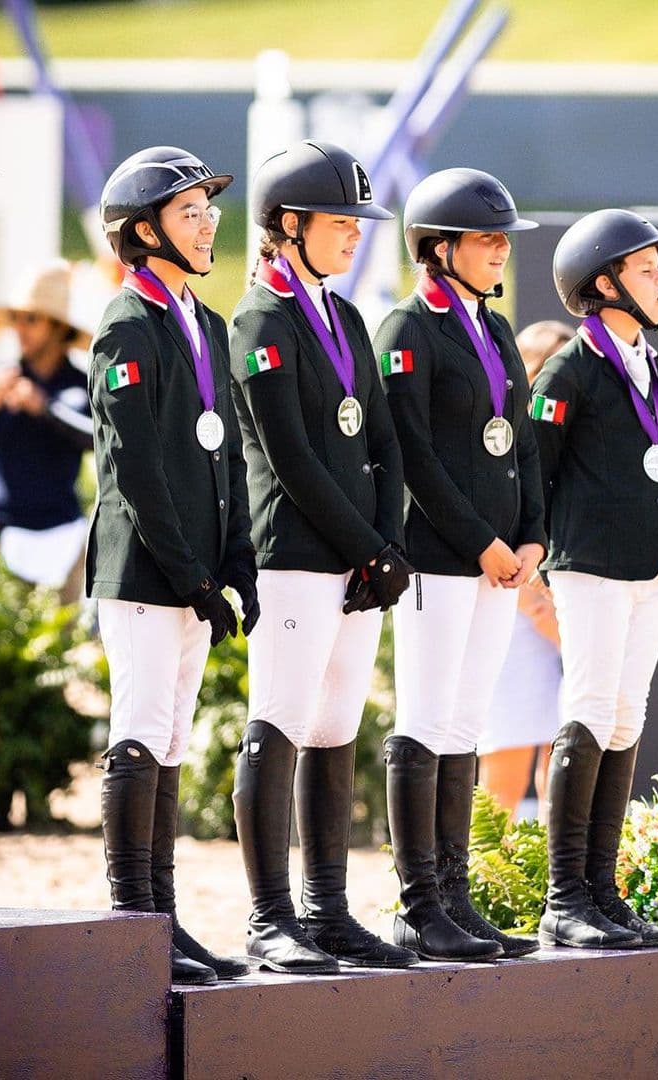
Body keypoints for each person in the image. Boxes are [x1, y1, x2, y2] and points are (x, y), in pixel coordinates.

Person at [229, 140, 415, 974]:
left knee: (337, 725)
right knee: (280, 718)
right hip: (295, 553)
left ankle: (327, 910)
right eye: (341, 221)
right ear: (290, 224)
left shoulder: (345, 317)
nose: (355, 234)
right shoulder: (259, 320)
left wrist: (387, 542)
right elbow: (292, 458)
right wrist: (368, 546)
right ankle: (269, 918)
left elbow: (382, 438)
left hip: (358, 559)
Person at [89, 146, 257, 985]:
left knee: (172, 739)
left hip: (194, 572)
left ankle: (164, 919)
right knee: (141, 730)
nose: (207, 224)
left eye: (208, 211)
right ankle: (133, 923)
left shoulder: (208, 323)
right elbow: (136, 468)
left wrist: (238, 559)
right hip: (145, 572)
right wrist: (192, 574)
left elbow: (226, 455)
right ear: (145, 232)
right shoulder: (126, 325)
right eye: (189, 213)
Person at [374, 168, 546, 961]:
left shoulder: (499, 330)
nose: (501, 250)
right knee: (427, 719)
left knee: (468, 723)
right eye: (486, 239)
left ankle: (456, 896)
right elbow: (413, 455)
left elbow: (522, 442)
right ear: (439, 248)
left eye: (503, 239)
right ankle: (418, 905)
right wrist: (482, 541)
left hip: (503, 562)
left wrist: (533, 534)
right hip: (441, 560)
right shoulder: (407, 330)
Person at [531, 209, 658, 950]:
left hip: (650, 564)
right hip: (589, 565)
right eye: (647, 269)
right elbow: (537, 468)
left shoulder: (656, 363)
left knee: (627, 716)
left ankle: (602, 891)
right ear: (605, 283)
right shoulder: (569, 369)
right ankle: (564, 899)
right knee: (589, 709)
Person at [477, 321, 575, 817]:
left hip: (571, 618)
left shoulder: (580, 440)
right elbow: (500, 533)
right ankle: (486, 866)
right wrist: (540, 609)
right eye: (554, 367)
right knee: (507, 765)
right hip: (517, 619)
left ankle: (555, 864)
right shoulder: (504, 440)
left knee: (569, 761)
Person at [0, 259, 94, 602]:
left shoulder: (79, 385)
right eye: (16, 318)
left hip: (65, 537)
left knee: (65, 632)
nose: (20, 328)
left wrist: (45, 408)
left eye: (31, 319)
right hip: (1, 535)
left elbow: (97, 438)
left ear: (57, 327)